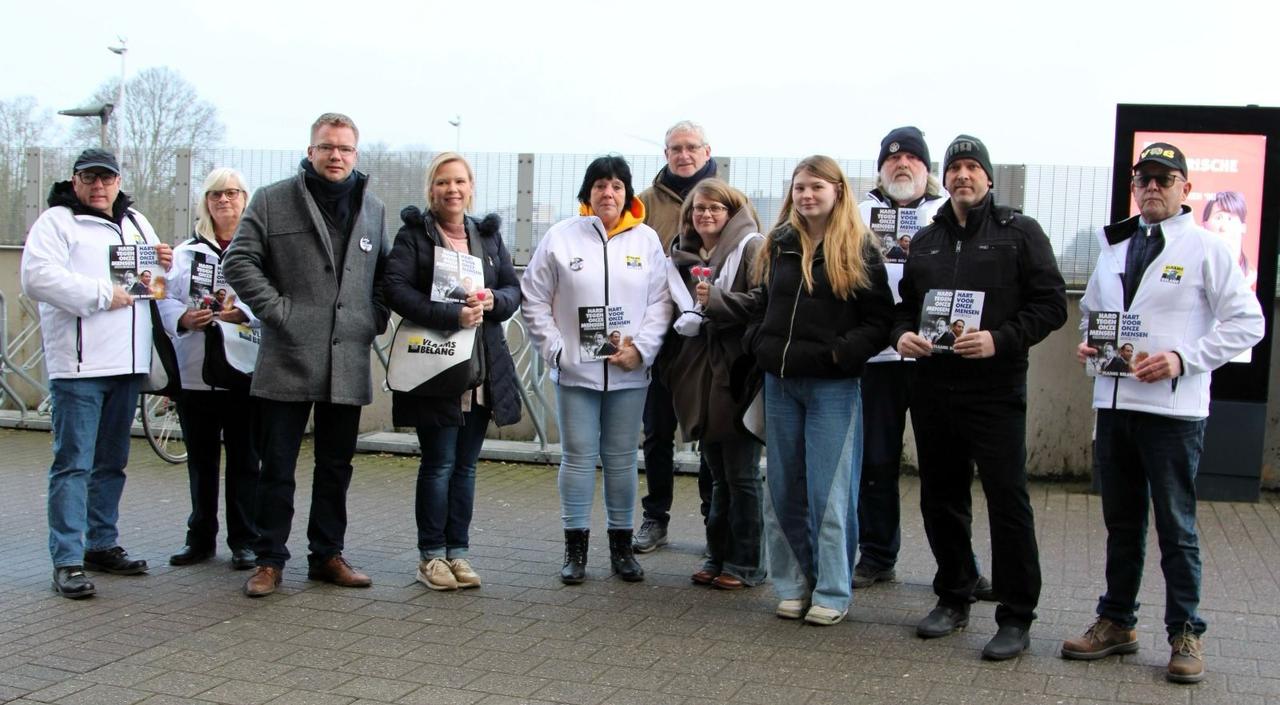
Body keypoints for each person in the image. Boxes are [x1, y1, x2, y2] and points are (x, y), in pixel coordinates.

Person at [1063, 142, 1263, 683]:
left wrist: (1182, 359)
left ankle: (1185, 632)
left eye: (1164, 178)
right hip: (1115, 403)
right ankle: (1117, 622)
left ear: (1185, 190)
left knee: (1177, 528)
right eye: (1143, 178)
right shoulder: (1113, 247)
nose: (1152, 187)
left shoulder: (1207, 248)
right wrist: (1089, 346)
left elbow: (1249, 324)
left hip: (1173, 415)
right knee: (1121, 523)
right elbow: (1091, 317)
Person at [893, 135, 1067, 659]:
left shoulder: (1021, 233)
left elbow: (1051, 305)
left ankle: (1016, 615)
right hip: (933, 387)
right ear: (941, 180)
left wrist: (999, 339)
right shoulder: (924, 241)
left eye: (972, 168)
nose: (963, 176)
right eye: (954, 169)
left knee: (1007, 501)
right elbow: (905, 306)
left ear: (988, 178)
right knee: (940, 497)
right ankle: (954, 593)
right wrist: (901, 334)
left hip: (994, 391)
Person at [705, 156, 893, 625]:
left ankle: (832, 589)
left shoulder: (860, 248)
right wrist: (759, 344)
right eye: (800, 187)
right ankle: (792, 586)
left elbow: (879, 322)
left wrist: (837, 355)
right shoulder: (778, 243)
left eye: (816, 187)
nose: (807, 195)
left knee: (830, 495)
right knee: (783, 490)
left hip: (833, 388)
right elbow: (763, 304)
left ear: (837, 192)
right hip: (779, 384)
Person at [222, 112, 390, 597]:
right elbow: (239, 260)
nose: (335, 156)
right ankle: (269, 558)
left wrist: (372, 318)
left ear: (356, 155)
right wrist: (279, 312)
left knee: (337, 466)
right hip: (288, 355)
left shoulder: (373, 208)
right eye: (326, 147)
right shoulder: (274, 200)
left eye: (345, 149)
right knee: (276, 464)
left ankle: (328, 555)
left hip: (348, 357)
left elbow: (382, 276)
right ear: (311, 150)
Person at [20, 148, 173, 598]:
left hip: (127, 365)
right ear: (75, 180)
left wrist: (163, 261)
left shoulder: (138, 221)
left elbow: (155, 281)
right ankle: (67, 558)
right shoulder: (57, 222)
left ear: (118, 181)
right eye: (90, 178)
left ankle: (101, 543)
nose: (99, 186)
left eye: (106, 178)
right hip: (80, 367)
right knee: (73, 465)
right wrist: (102, 294)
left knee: (112, 462)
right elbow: (36, 277)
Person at [853, 126, 995, 599]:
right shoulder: (857, 214)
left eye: (912, 159)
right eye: (893, 159)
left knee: (946, 470)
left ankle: (963, 568)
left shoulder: (947, 214)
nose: (902, 165)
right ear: (880, 168)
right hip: (878, 357)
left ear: (927, 170)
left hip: (938, 359)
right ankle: (877, 554)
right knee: (875, 461)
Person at [521, 155, 672, 584]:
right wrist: (556, 350)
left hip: (628, 374)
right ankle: (575, 549)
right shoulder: (560, 238)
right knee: (578, 459)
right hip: (576, 375)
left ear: (628, 194)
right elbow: (532, 298)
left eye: (618, 186)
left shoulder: (646, 241)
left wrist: (640, 350)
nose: (609, 193)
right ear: (587, 192)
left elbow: (661, 302)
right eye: (601, 185)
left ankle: (622, 549)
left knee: (622, 461)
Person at [383, 152, 522, 591]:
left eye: (460, 181)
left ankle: (458, 552)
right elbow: (395, 290)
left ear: (471, 187)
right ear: (432, 189)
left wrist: (492, 303)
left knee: (466, 467)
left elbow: (511, 290)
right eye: (443, 182)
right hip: (436, 367)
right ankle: (431, 556)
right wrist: (450, 315)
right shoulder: (414, 236)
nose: (452, 189)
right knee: (439, 463)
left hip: (481, 368)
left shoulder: (487, 236)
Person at [157, 168, 259, 571]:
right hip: (196, 373)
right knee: (200, 461)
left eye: (232, 193)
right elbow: (161, 295)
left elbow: (271, 297)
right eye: (216, 194)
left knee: (245, 459)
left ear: (244, 198)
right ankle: (199, 538)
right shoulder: (184, 253)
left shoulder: (258, 250)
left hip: (243, 371)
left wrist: (243, 313)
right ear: (205, 201)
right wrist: (183, 318)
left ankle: (245, 541)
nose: (224, 201)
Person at [668, 179, 766, 590]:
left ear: (732, 212)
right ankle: (717, 554)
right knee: (717, 474)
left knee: (742, 474)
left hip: (737, 371)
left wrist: (717, 303)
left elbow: (764, 300)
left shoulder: (753, 246)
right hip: (701, 372)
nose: (705, 215)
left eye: (716, 208)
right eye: (698, 209)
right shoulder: (683, 257)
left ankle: (747, 563)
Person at [634, 120, 719, 554]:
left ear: (707, 151)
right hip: (658, 337)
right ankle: (655, 517)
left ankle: (713, 519)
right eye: (674, 148)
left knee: (710, 431)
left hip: (709, 338)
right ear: (665, 154)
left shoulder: (727, 198)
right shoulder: (644, 203)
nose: (683, 155)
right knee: (656, 432)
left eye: (691, 147)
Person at [1200, 191, 1255, 288]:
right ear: (1204, 225)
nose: (1223, 227)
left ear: (1243, 227)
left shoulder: (1253, 278)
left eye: (1230, 219)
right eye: (1218, 218)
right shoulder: (1192, 271)